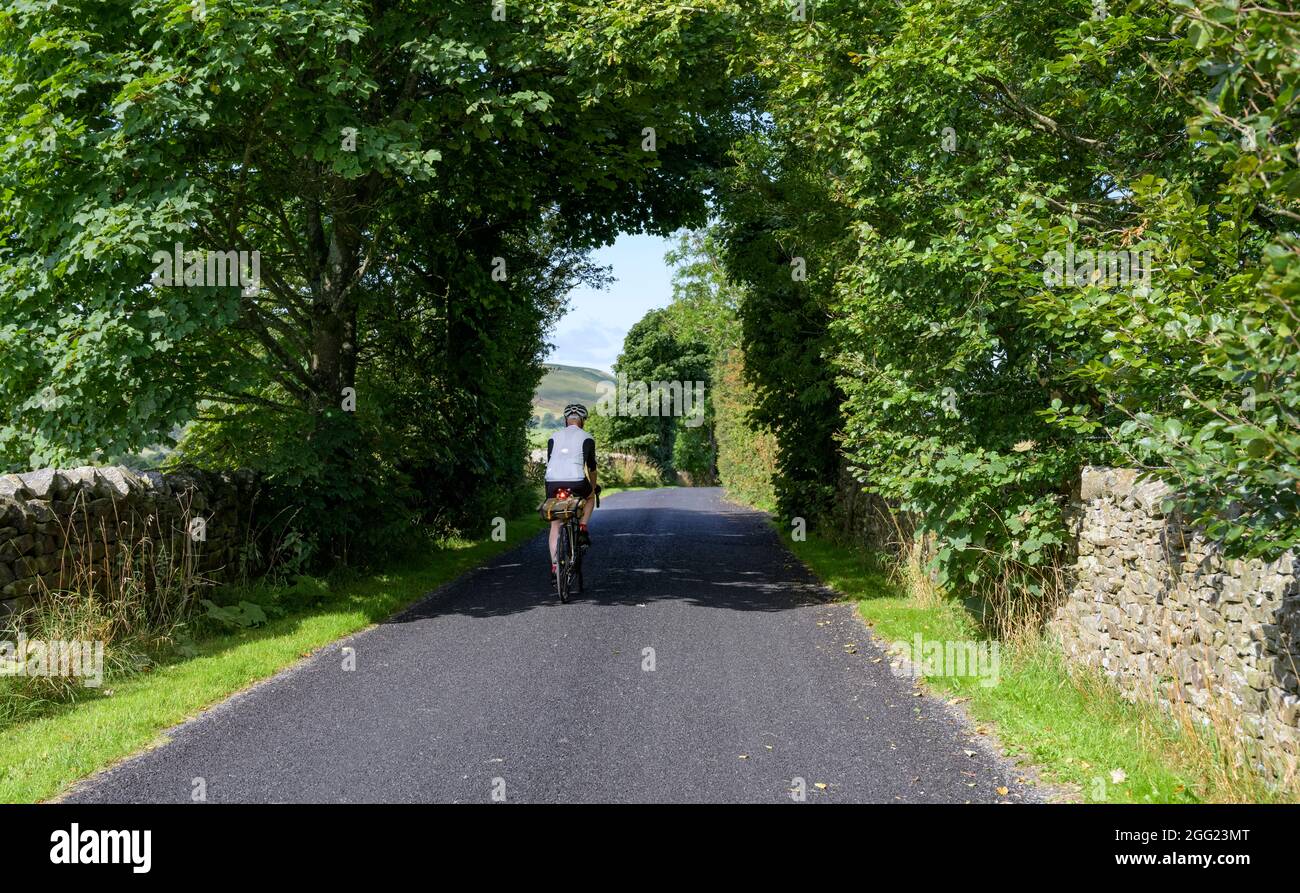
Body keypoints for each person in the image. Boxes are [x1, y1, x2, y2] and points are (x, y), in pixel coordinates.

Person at [544, 403, 597, 582]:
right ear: (582, 421)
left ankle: (554, 566)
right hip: (576, 480)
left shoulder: (553, 437)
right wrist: (593, 487)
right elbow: (591, 467)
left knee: (555, 524)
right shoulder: (587, 437)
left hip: (552, 481)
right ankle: (582, 528)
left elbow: (551, 462)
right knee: (590, 498)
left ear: (566, 420)